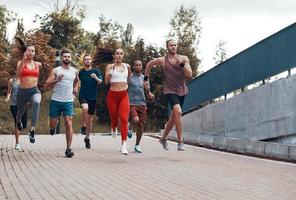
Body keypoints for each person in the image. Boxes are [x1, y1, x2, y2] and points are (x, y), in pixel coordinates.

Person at [144, 39, 192, 151]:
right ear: (167, 47)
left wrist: (183, 65)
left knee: (174, 118)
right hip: (170, 91)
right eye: (171, 45)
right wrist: (146, 78)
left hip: (182, 91)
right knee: (178, 112)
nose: (173, 47)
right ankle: (180, 141)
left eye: (175, 45)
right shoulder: (162, 60)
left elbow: (189, 74)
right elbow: (149, 64)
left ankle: (163, 138)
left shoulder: (184, 58)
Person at [92, 48, 131, 155]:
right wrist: (112, 71)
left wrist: (126, 85)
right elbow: (106, 80)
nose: (119, 55)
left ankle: (124, 145)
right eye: (117, 54)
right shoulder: (109, 66)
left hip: (124, 95)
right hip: (112, 96)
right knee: (114, 118)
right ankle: (113, 127)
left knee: (123, 118)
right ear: (114, 56)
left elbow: (128, 78)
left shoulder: (127, 66)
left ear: (123, 55)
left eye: (121, 54)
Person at [45, 48, 79, 158]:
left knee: (69, 123)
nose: (67, 58)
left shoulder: (74, 71)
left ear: (71, 58)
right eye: (65, 56)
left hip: (68, 101)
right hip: (56, 100)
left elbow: (76, 81)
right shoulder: (56, 71)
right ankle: (52, 128)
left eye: (69, 56)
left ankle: (68, 149)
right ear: (61, 58)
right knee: (53, 124)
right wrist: (57, 80)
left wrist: (75, 89)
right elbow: (47, 84)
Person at [15, 44, 42, 144]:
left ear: (34, 53)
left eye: (33, 51)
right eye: (29, 50)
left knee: (37, 102)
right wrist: (23, 60)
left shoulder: (37, 64)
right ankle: (18, 120)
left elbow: (40, 67)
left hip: (34, 90)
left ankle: (32, 130)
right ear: (25, 52)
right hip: (22, 92)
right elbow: (17, 74)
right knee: (21, 110)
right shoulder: (20, 63)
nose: (31, 52)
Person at [128, 60, 154, 153]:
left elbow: (148, 93)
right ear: (133, 67)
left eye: (139, 65)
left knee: (141, 125)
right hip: (132, 103)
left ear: (142, 67)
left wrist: (150, 94)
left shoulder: (145, 78)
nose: (138, 66)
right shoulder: (129, 76)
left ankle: (137, 145)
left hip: (142, 104)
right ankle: (130, 126)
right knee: (136, 119)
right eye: (136, 65)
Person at [78, 54, 102, 149]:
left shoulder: (96, 71)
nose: (87, 61)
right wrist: (74, 88)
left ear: (91, 61)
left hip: (93, 97)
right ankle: (83, 126)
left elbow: (100, 81)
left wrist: (95, 77)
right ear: (83, 61)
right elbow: (76, 81)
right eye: (85, 59)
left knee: (90, 120)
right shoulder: (81, 72)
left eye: (89, 59)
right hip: (83, 95)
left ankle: (87, 138)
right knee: (85, 108)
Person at [5, 75, 28, 150]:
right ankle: (17, 143)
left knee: (23, 125)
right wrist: (7, 99)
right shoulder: (11, 81)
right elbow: (9, 92)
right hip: (14, 105)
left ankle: (21, 124)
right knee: (17, 122)